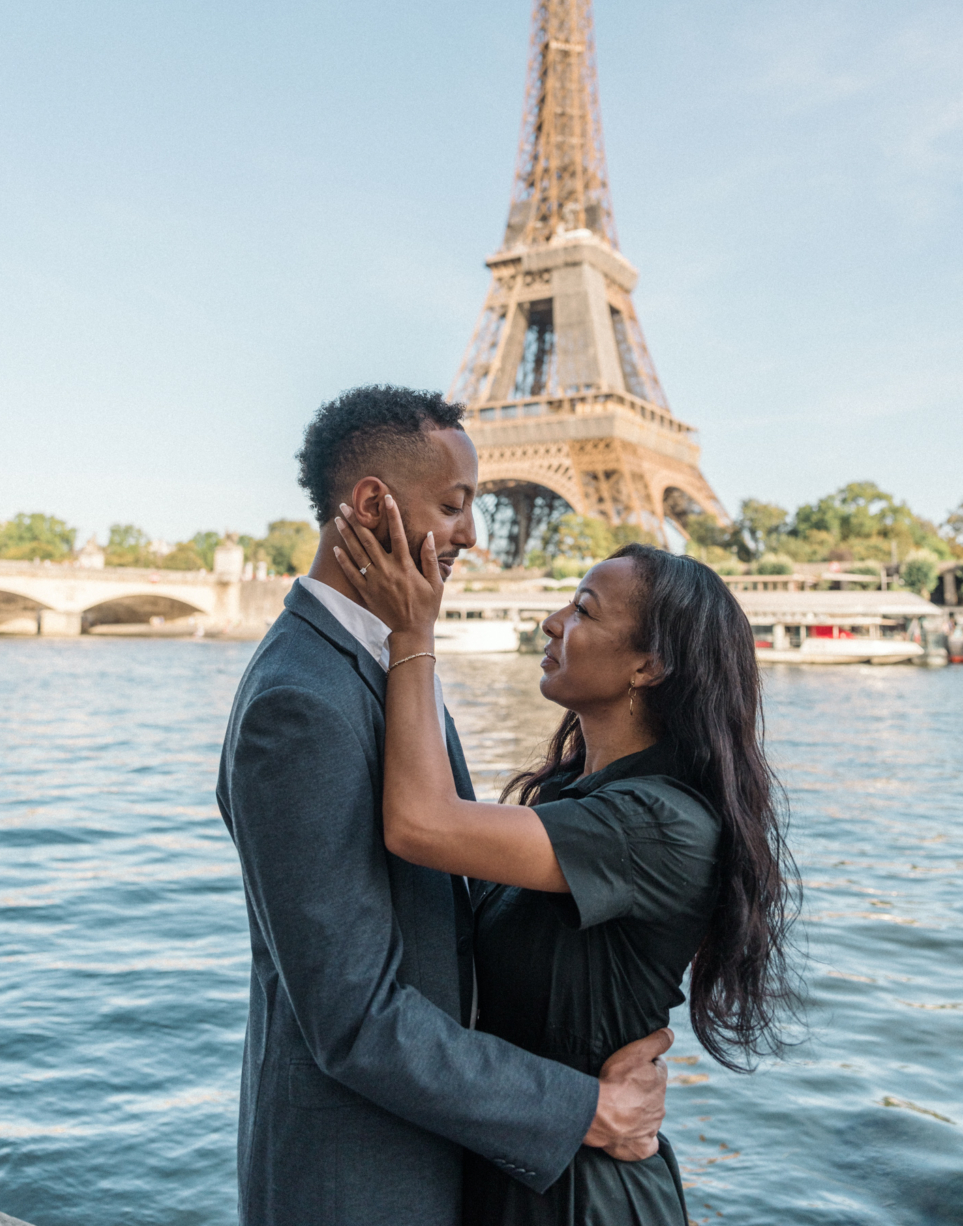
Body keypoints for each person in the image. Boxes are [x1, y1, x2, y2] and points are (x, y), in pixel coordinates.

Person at [216, 385, 672, 1226]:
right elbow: (353, 1019)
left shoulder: (377, 664)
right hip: (359, 1183)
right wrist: (584, 1109)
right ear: (371, 504)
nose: (471, 533)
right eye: (455, 505)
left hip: (421, 1155)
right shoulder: (304, 703)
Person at [333, 498, 799, 1226]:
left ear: (649, 664)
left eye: (583, 610)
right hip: (532, 1159)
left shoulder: (656, 824)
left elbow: (422, 824)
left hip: (583, 1195)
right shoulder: (581, 800)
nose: (553, 623)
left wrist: (411, 633)